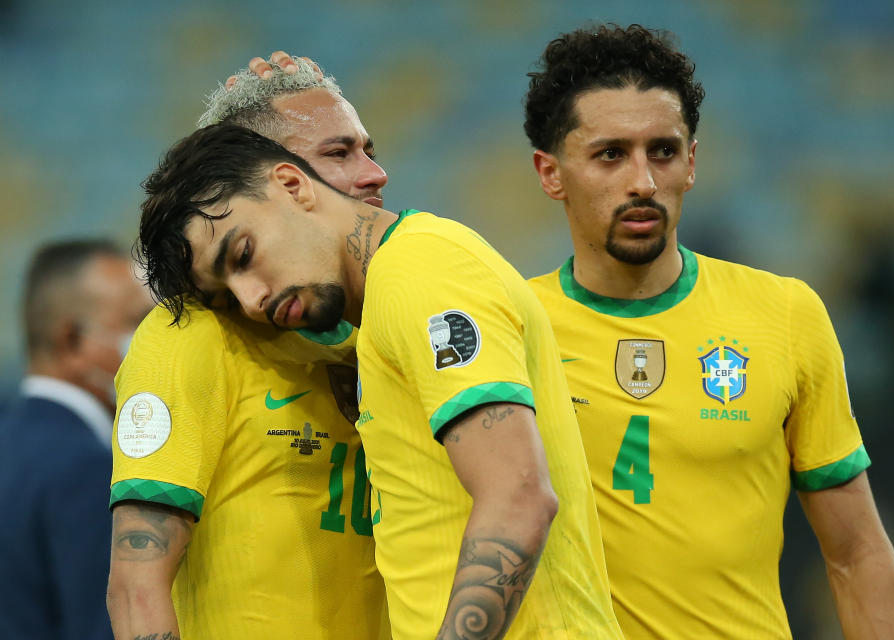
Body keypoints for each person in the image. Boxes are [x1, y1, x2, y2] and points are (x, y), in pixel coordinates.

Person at [134, 123, 625, 640]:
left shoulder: (422, 271)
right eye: (228, 297)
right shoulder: (380, 310)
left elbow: (519, 496)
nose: (251, 299)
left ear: (292, 185)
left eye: (243, 255)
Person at [523, 23, 894, 638]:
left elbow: (856, 552)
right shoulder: (511, 325)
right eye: (610, 154)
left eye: (663, 150)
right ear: (550, 173)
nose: (643, 182)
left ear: (692, 163)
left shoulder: (784, 314)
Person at [106, 57, 390, 640]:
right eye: (337, 155)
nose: (373, 174)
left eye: (367, 148)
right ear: (270, 180)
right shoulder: (189, 339)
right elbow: (136, 583)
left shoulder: (385, 325)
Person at [0, 239, 152, 640]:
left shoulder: (11, 442)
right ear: (73, 340)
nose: (155, 340)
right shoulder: (86, 468)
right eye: (138, 322)